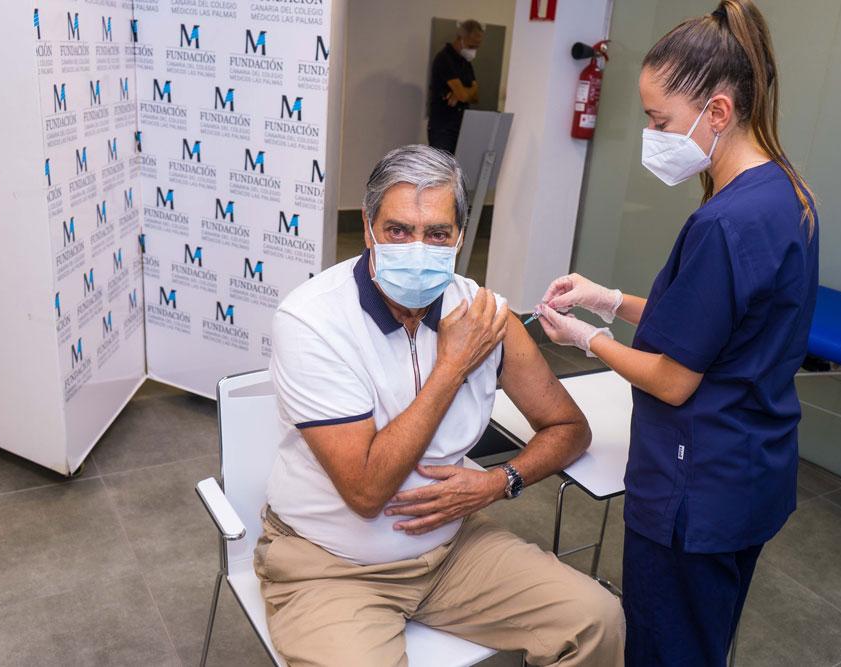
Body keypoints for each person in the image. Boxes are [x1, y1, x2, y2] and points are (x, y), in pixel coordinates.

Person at [258, 144, 623, 667]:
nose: (418, 248)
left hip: (452, 553)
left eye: (437, 234)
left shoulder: (485, 315)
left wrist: (501, 482)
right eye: (398, 231)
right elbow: (365, 491)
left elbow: (568, 427)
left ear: (459, 236)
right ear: (368, 229)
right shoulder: (312, 321)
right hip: (330, 564)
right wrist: (451, 366)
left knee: (596, 618)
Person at [536, 1, 819, 664]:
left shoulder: (725, 223)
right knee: (702, 639)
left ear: (717, 112)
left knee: (668, 649)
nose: (652, 133)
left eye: (660, 120)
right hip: (750, 468)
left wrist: (586, 340)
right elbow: (709, 321)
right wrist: (608, 300)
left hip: (698, 488)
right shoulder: (785, 192)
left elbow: (673, 376)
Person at [427, 19, 483, 154]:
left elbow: (475, 96)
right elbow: (465, 95)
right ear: (460, 39)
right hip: (443, 128)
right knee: (442, 170)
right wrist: (464, 93)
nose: (474, 50)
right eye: (471, 46)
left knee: (458, 170)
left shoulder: (466, 63)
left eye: (477, 46)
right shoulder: (444, 59)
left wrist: (461, 93)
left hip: (461, 126)